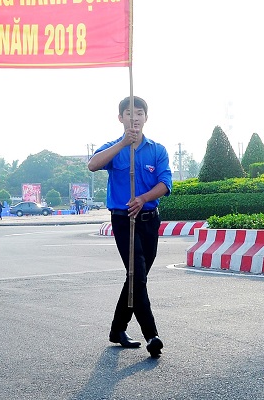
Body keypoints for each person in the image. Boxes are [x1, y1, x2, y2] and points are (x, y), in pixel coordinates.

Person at [87, 96, 172, 359]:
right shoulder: (114, 147)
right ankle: (152, 335)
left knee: (136, 277)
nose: (134, 118)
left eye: (138, 113)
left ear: (146, 117)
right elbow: (92, 165)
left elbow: (166, 183)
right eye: (128, 113)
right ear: (120, 118)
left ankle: (117, 330)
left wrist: (144, 198)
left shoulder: (157, 150)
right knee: (137, 275)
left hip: (148, 219)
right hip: (124, 221)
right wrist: (124, 142)